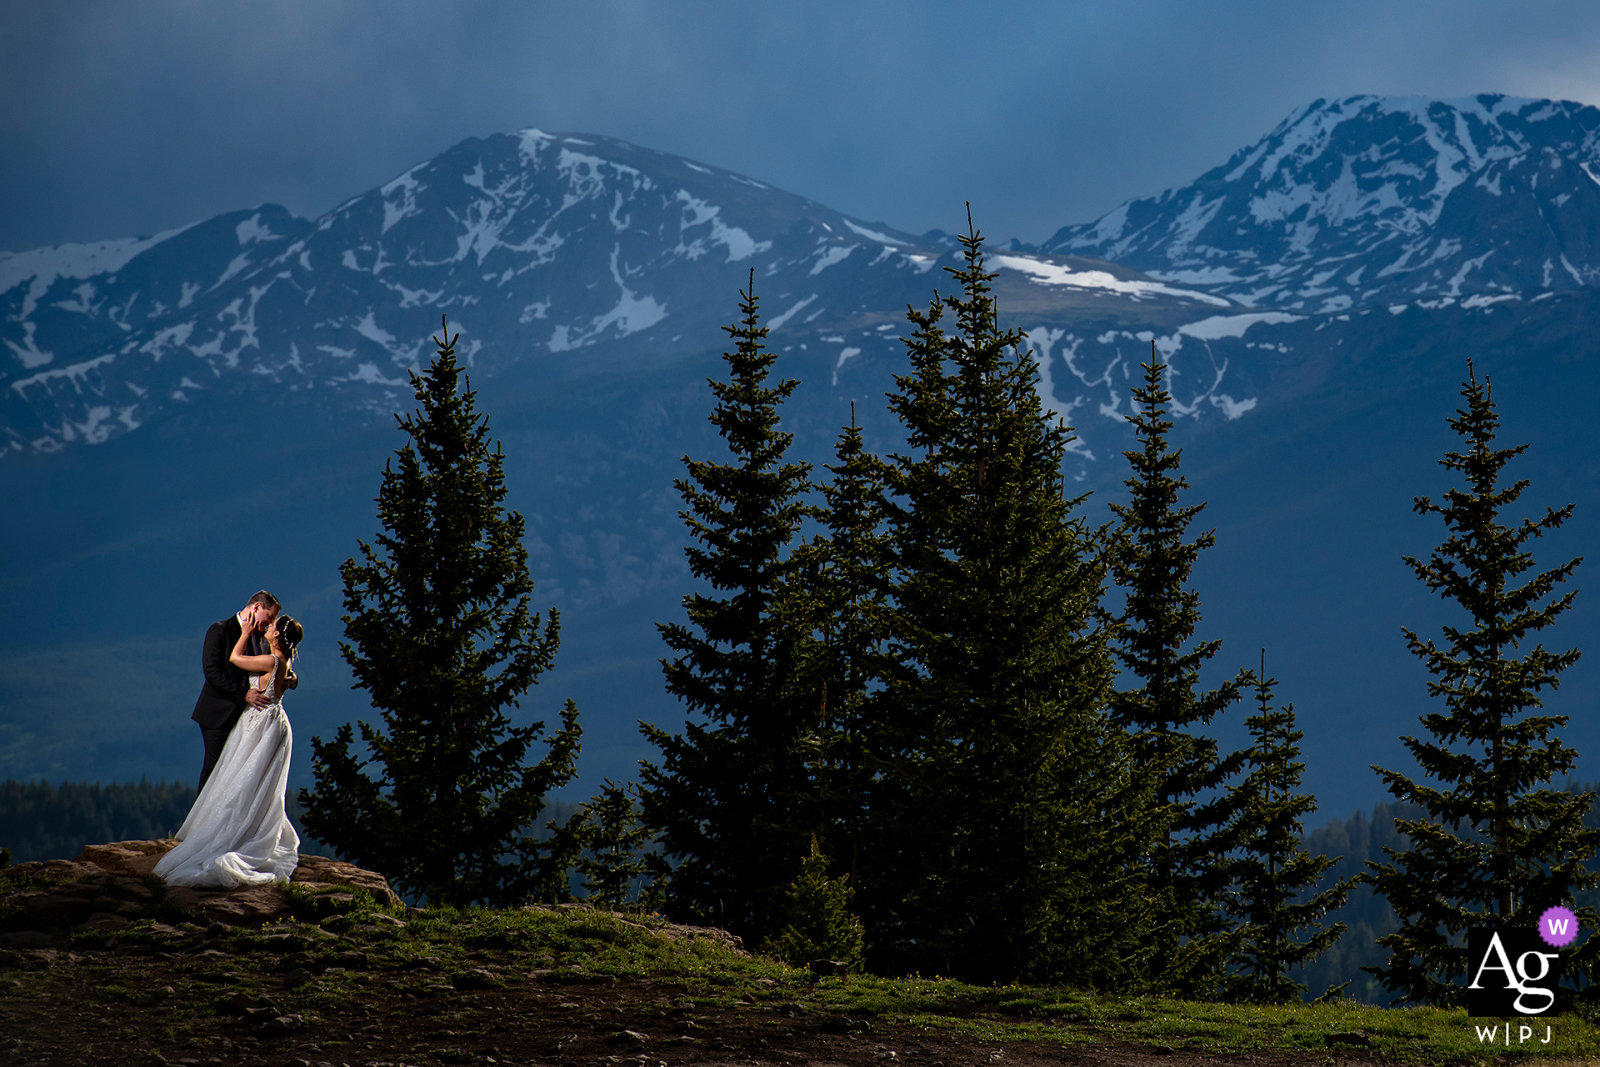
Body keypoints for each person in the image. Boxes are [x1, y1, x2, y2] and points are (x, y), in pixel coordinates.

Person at [155, 614, 305, 888]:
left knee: (246, 777)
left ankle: (234, 832)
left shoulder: (271, 660)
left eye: (271, 626)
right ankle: (250, 825)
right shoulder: (283, 661)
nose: (267, 628)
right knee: (253, 778)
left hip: (261, 723)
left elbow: (236, 658)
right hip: (267, 722)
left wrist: (245, 632)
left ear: (276, 636)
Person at [191, 591, 295, 789]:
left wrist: (290, 676)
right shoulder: (220, 630)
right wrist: (244, 694)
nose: (270, 623)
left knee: (237, 773)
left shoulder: (263, 637)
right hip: (217, 714)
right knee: (215, 770)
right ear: (256, 608)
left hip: (246, 718)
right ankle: (204, 819)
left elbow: (275, 665)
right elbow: (212, 672)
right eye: (270, 617)